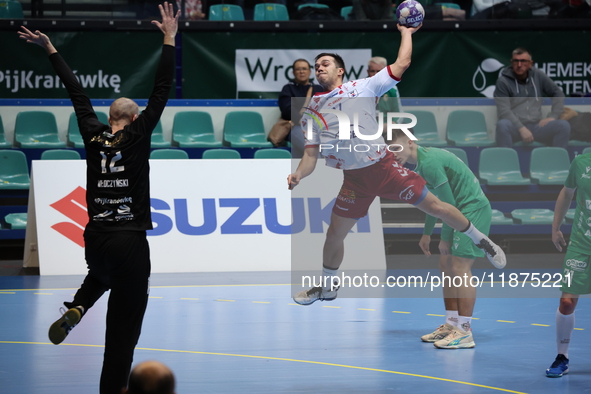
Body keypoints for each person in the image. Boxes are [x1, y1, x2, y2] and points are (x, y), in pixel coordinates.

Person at [18, 3, 179, 393]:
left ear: (109, 117)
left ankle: (79, 304)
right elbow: (162, 88)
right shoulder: (139, 135)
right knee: (123, 330)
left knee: (101, 274)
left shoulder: (93, 133)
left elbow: (77, 93)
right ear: (137, 117)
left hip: (95, 237)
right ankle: (113, 389)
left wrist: (51, 50)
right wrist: (169, 37)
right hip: (128, 239)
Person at [288, 23, 506, 306]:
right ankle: (328, 287)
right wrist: (298, 175)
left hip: (385, 169)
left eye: (325, 63)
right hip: (354, 180)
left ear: (340, 70)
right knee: (334, 234)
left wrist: (406, 32)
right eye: (316, 65)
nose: (319, 68)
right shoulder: (313, 110)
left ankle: (481, 240)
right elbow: (311, 156)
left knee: (437, 208)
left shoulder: (364, 87)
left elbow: (402, 63)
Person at [387, 131, 492, 349]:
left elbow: (447, 207)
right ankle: (452, 323)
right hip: (459, 211)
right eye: (389, 151)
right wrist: (427, 233)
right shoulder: (422, 163)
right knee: (445, 265)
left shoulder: (431, 163)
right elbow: (433, 203)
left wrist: (444, 239)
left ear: (409, 142)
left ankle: (464, 331)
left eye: (396, 148)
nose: (393, 155)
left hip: (472, 210)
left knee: (460, 267)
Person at [545, 151, 591, 377]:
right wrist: (556, 226)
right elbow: (566, 193)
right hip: (581, 244)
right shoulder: (581, 162)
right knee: (566, 303)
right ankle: (562, 356)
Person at [494, 47, 570, 148]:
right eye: (516, 61)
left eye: (523, 61)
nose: (519, 65)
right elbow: (504, 111)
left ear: (530, 63)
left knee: (563, 126)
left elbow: (558, 93)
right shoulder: (503, 81)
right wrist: (521, 128)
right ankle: (506, 162)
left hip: (537, 126)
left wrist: (553, 116)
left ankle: (555, 161)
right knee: (502, 125)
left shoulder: (537, 75)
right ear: (511, 62)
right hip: (514, 128)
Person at [268, 59, 323, 153]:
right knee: (312, 149)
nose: (301, 71)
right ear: (293, 72)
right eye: (298, 69)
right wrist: (301, 120)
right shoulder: (288, 88)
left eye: (304, 69)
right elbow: (287, 110)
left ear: (310, 72)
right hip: (296, 127)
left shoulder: (318, 89)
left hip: (317, 127)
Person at [367, 56, 403, 124]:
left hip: (387, 128)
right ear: (367, 72)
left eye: (378, 71)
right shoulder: (360, 87)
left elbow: (398, 115)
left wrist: (390, 126)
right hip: (367, 127)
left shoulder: (392, 89)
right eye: (372, 71)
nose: (375, 74)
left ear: (385, 72)